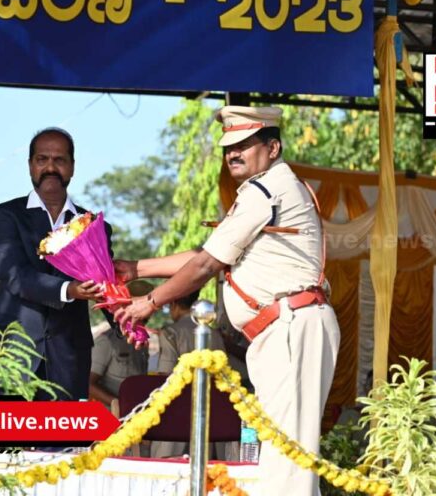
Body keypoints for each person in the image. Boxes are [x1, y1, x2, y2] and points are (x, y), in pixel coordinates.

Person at [115, 106, 340, 496]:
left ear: (273, 148)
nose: (233, 153)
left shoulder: (265, 188)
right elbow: (209, 253)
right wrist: (134, 268)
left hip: (291, 323)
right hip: (285, 326)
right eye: (228, 147)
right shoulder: (268, 189)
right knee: (285, 453)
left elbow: (206, 264)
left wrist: (148, 301)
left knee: (288, 458)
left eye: (244, 145)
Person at [0, 127, 110, 401]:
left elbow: (106, 284)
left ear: (72, 167)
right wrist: (69, 290)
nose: (50, 167)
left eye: (59, 160)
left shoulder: (95, 226)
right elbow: (13, 275)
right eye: (42, 159)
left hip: (69, 361)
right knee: (11, 442)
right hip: (13, 357)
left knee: (63, 442)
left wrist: (129, 318)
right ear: (31, 165)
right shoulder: (4, 216)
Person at [151, 289, 228, 459]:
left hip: (176, 413)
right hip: (211, 412)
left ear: (173, 304)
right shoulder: (214, 334)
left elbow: (166, 376)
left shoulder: (171, 332)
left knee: (166, 466)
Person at [89, 281, 152, 414]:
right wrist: (117, 403)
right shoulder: (107, 341)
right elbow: (88, 384)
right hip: (110, 420)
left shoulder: (142, 342)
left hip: (136, 418)